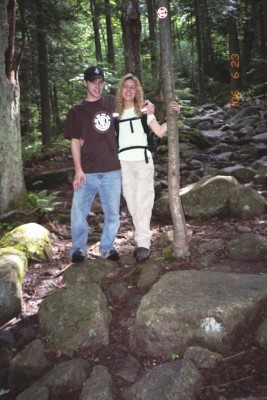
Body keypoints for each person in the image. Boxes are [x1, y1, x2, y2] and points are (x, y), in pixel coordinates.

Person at [64, 66, 154, 263]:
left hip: (113, 169)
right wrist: (78, 170)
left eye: (101, 81)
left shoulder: (113, 103)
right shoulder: (76, 112)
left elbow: (135, 104)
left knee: (113, 213)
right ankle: (79, 249)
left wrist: (149, 106)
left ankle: (107, 247)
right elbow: (74, 142)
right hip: (87, 171)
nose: (97, 86)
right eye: (93, 81)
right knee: (78, 212)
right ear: (85, 83)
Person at [115, 73, 180, 263]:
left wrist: (174, 115)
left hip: (143, 161)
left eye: (132, 87)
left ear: (137, 91)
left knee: (144, 202)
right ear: (121, 90)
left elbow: (159, 131)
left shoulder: (144, 111)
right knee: (132, 202)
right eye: (125, 87)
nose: (128, 90)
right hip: (123, 163)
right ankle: (140, 238)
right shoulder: (115, 114)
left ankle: (143, 244)